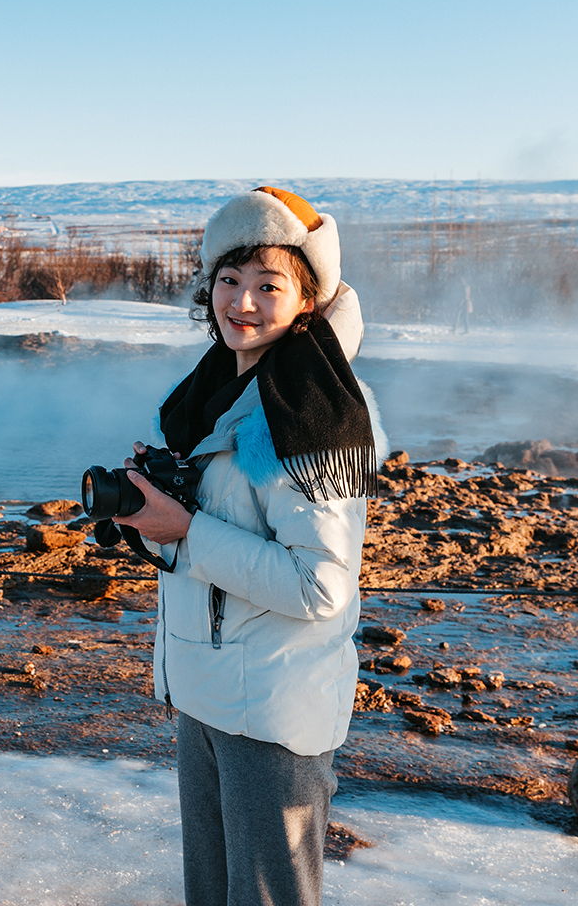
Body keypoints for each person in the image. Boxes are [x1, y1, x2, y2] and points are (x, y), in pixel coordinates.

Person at [114, 187, 384, 906]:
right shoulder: (208, 402)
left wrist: (189, 529)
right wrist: (156, 517)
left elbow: (322, 587)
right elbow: (206, 552)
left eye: (270, 285)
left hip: (271, 710)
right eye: (229, 281)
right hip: (205, 693)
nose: (242, 301)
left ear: (307, 303)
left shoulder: (307, 419)